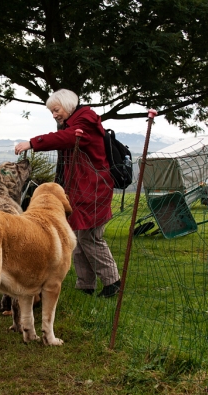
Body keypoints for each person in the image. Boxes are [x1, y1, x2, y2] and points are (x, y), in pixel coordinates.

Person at [14, 89, 121, 298]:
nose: (54, 115)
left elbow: (66, 139)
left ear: (68, 105)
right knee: (77, 237)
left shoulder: (85, 123)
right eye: (51, 112)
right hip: (81, 189)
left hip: (93, 190)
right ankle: (85, 284)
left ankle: (112, 281)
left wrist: (33, 143)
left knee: (90, 236)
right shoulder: (75, 122)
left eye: (56, 110)